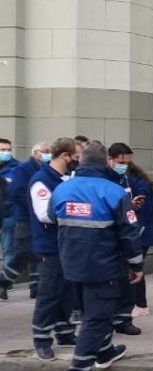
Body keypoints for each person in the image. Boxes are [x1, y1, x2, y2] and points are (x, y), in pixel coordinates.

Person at [55, 142, 144, 371]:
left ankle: (104, 353)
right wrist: (136, 264)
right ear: (106, 162)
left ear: (80, 161)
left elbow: (53, 219)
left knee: (90, 312)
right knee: (96, 318)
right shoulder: (114, 192)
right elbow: (129, 233)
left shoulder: (62, 189)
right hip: (102, 267)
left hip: (71, 264)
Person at [29, 137, 82, 359]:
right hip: (50, 246)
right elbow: (45, 215)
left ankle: (65, 331)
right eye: (76, 157)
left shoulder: (65, 178)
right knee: (49, 293)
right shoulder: (42, 180)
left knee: (67, 290)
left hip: (66, 244)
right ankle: (42, 338)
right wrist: (76, 211)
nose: (78, 161)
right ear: (64, 156)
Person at [106, 143, 153, 331]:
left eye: (127, 161)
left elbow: (142, 196)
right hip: (122, 232)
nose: (124, 165)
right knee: (128, 270)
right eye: (121, 162)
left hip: (137, 231)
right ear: (110, 159)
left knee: (135, 268)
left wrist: (135, 204)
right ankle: (125, 309)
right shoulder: (110, 179)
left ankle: (139, 305)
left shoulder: (134, 179)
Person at [2, 141, 49, 298]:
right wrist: (34, 203)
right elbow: (15, 193)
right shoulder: (22, 170)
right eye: (45, 151)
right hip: (25, 218)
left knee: (38, 252)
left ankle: (36, 286)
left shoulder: (46, 170)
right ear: (35, 153)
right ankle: (4, 279)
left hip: (39, 218)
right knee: (23, 252)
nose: (48, 154)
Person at [0, 137, 19, 296]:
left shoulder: (16, 168)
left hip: (8, 215)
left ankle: (5, 283)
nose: (6, 153)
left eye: (8, 149)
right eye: (2, 150)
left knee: (8, 250)